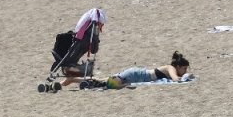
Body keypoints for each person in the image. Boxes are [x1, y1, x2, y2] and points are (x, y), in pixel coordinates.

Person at [63, 51, 191, 89]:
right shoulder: (171, 68)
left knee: (103, 80)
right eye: (184, 68)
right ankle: (74, 80)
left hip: (134, 74)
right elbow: (176, 79)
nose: (185, 71)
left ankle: (72, 79)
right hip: (134, 75)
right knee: (107, 83)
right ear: (178, 66)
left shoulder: (170, 68)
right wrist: (187, 77)